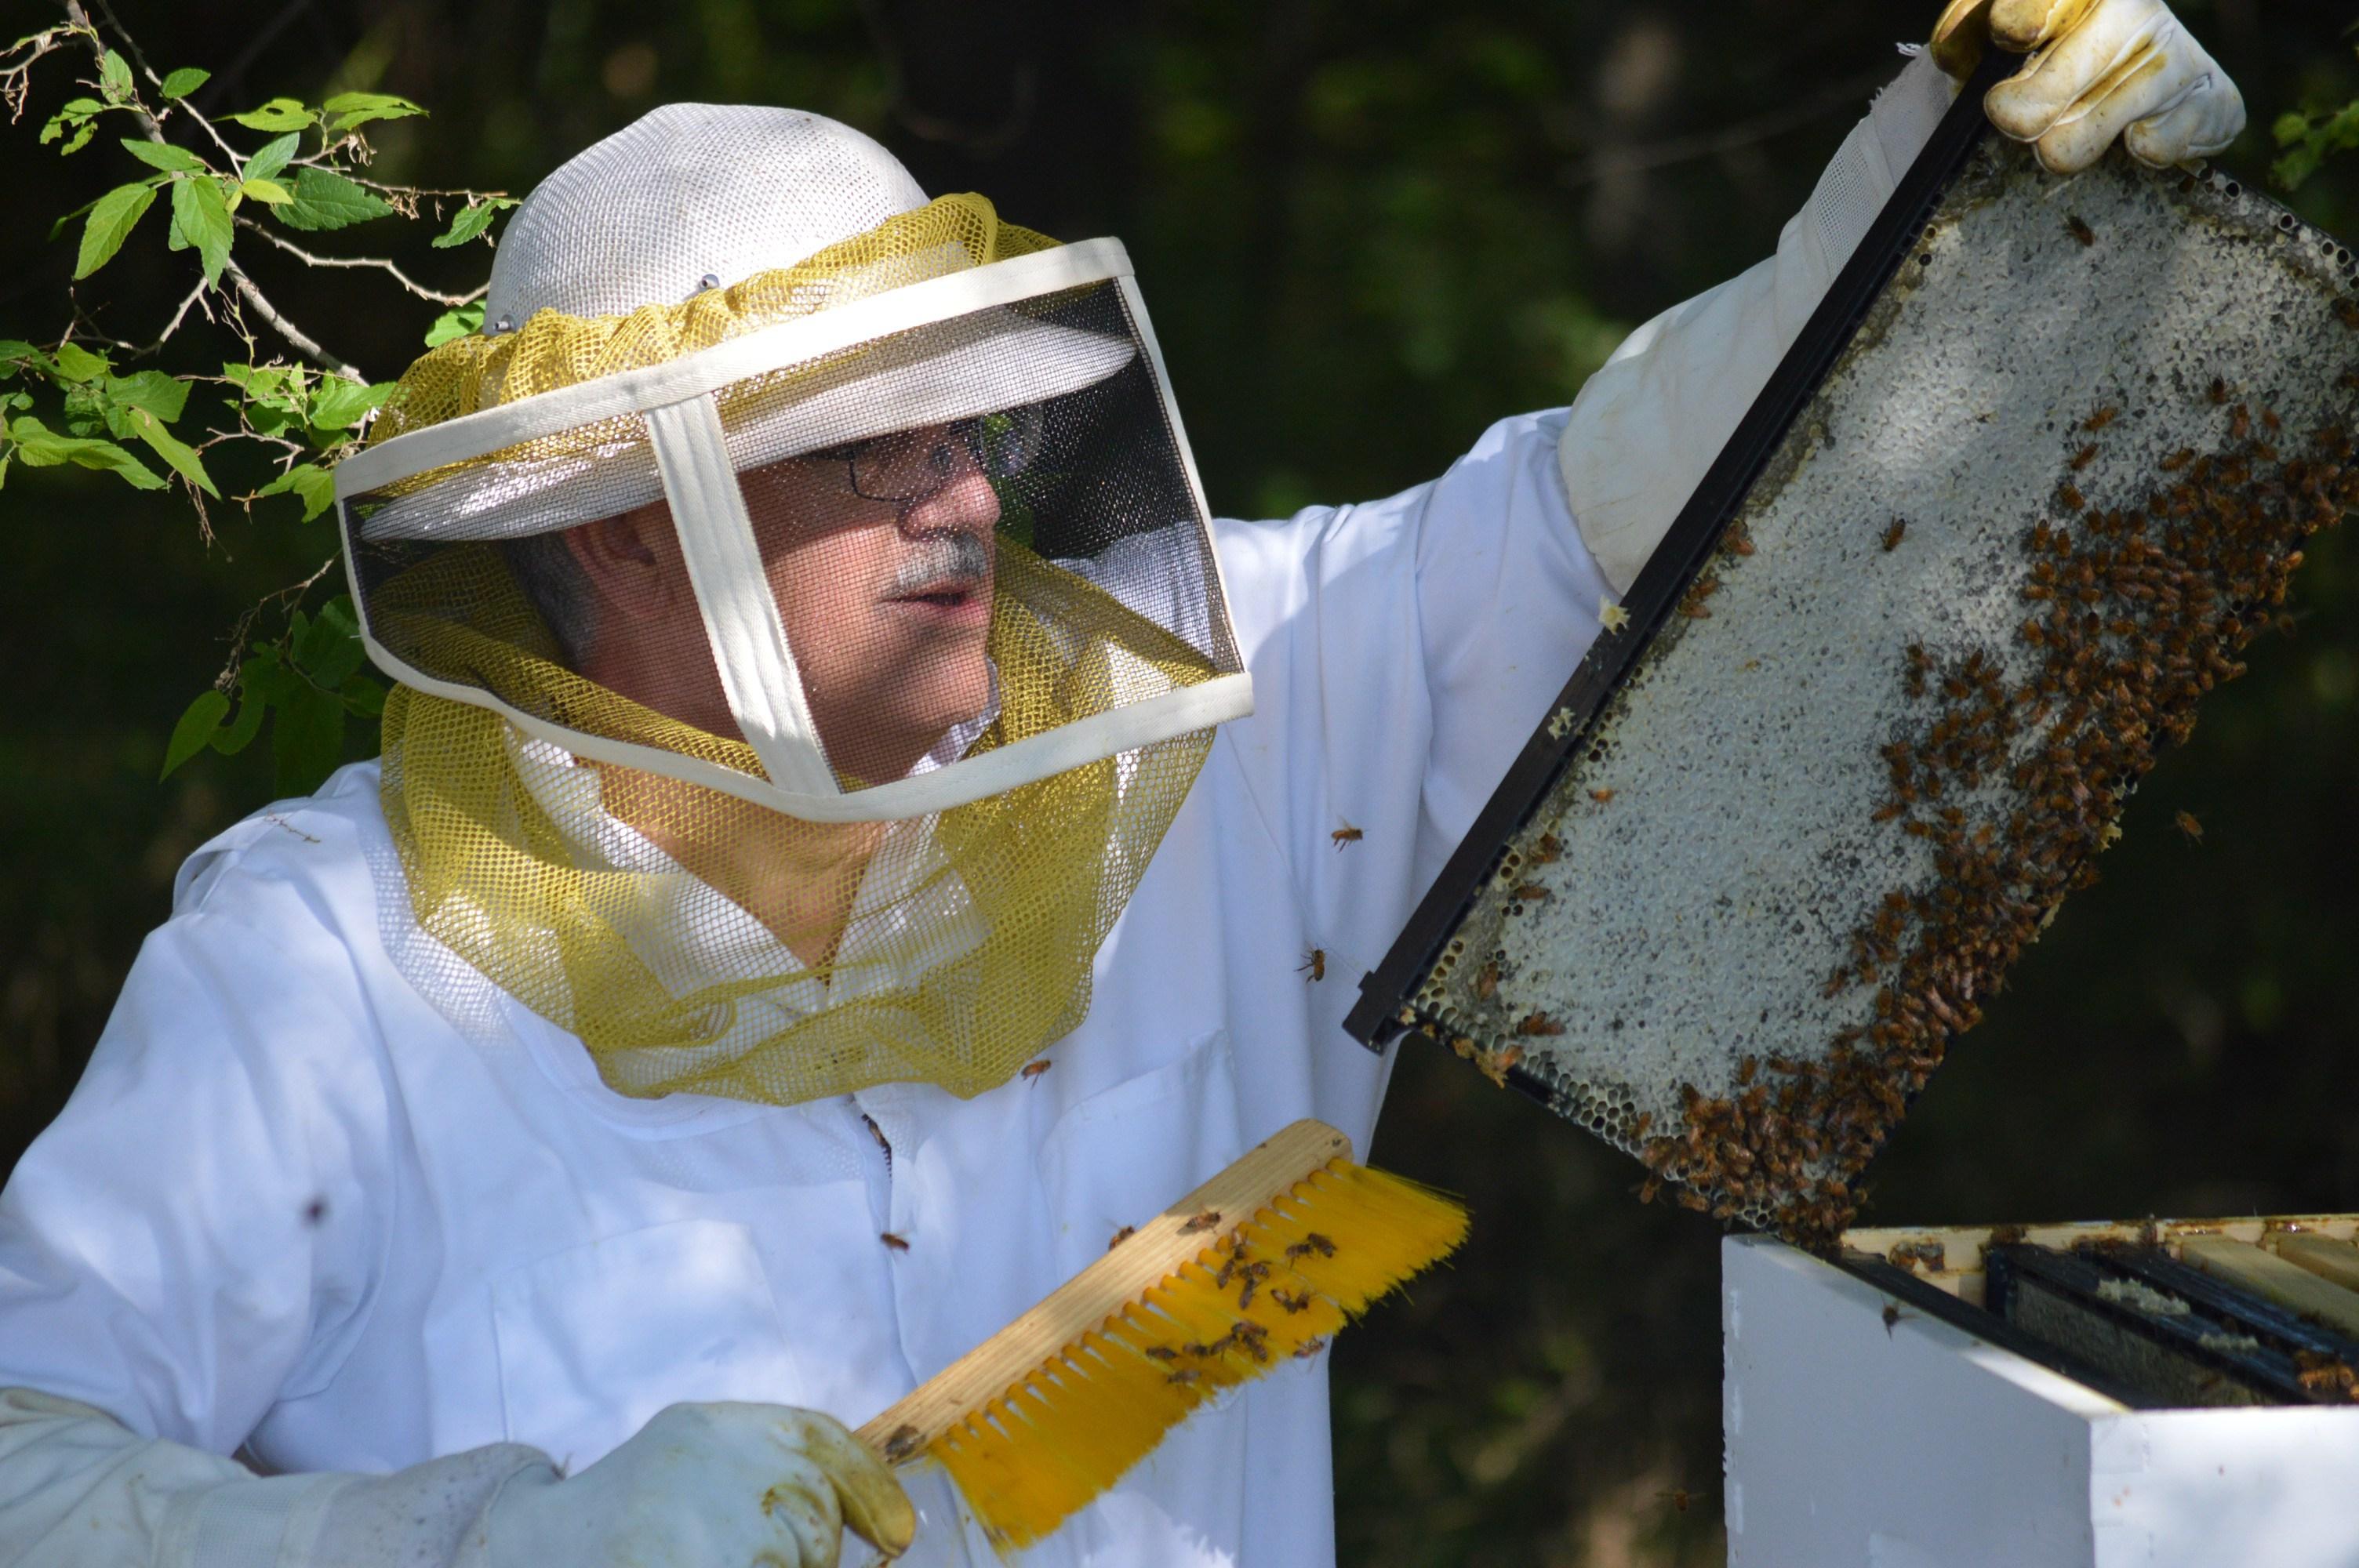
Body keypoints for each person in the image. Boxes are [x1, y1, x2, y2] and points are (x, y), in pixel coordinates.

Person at [0, 4, 2244, 1565]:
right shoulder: (326, 966)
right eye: (852, 450)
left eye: (962, 417)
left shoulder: (1223, 734)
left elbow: (1596, 518)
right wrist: (488, 1543)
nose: (959, 497)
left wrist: (1936, 175)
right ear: (611, 523)